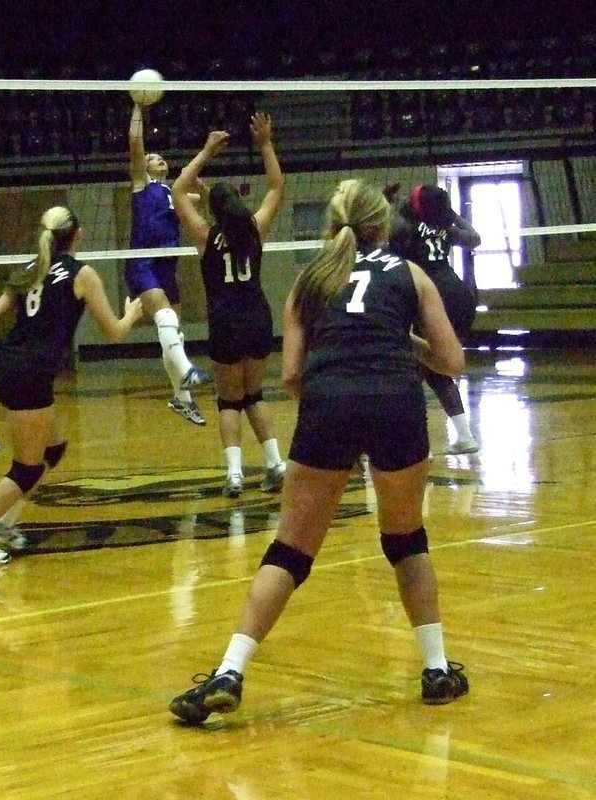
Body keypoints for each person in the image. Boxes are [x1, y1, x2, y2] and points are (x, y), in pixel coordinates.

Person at [169, 179, 469, 724]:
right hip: (395, 400)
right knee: (406, 540)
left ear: (332, 225)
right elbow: (452, 362)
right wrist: (404, 344)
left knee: (290, 551)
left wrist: (336, 411)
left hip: (328, 400)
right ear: (384, 227)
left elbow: (289, 376)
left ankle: (230, 671)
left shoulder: (310, 279)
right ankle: (436, 669)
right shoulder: (409, 274)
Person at [0, 205, 143, 566]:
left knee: (54, 450)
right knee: (27, 467)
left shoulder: (31, 269)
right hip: (29, 373)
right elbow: (115, 332)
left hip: (10, 366)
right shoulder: (83, 274)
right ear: (77, 235)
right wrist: (135, 311)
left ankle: (2, 524)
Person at [171, 113, 286, 497]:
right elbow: (276, 186)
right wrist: (265, 143)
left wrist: (206, 150)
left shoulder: (205, 235)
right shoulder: (255, 228)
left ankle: (235, 475)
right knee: (254, 396)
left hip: (225, 321)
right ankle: (275, 464)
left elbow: (177, 190)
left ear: (213, 210)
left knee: (229, 401)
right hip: (258, 317)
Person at [126, 101, 211, 427]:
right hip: (141, 262)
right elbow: (135, 143)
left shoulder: (176, 194)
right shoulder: (142, 185)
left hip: (167, 265)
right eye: (152, 158)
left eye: (160, 158)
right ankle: (188, 370)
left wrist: (202, 190)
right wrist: (137, 104)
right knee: (163, 317)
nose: (158, 159)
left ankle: (182, 399)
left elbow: (199, 205)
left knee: (173, 329)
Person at [389, 183, 482, 455]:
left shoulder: (406, 229)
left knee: (414, 369)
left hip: (429, 296)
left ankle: (418, 443)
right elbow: (474, 238)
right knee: (434, 369)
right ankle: (464, 436)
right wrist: (450, 214)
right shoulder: (447, 228)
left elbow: (387, 226)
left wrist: (390, 201)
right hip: (457, 294)